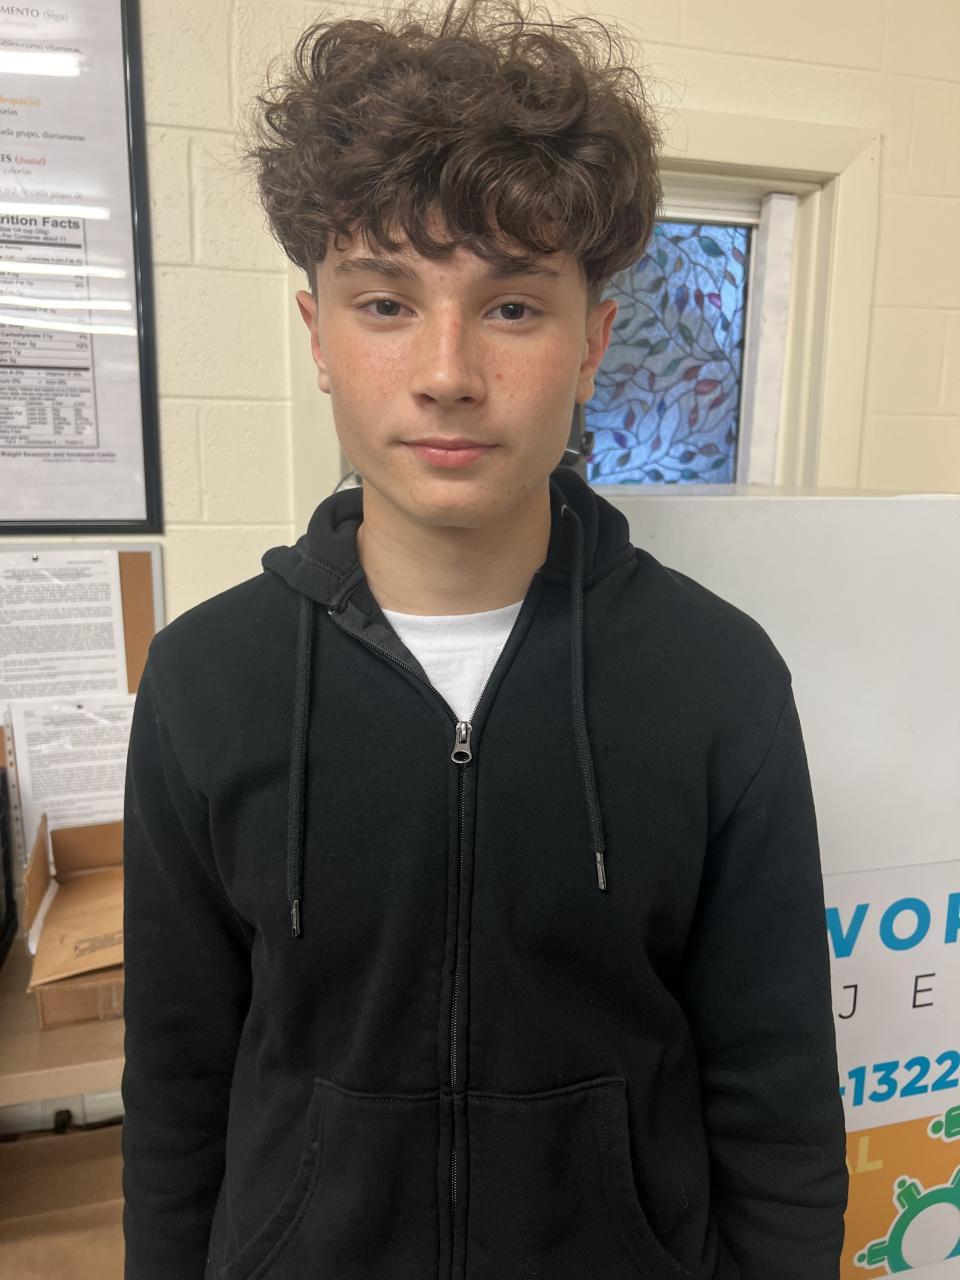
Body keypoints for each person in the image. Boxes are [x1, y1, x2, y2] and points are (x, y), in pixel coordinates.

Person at [120, 1, 849, 1277]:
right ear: (319, 338)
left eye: (511, 306)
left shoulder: (720, 681)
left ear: (593, 343)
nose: (448, 371)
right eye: (386, 302)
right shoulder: (204, 680)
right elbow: (177, 1089)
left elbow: (777, 1099)